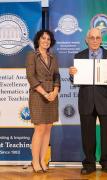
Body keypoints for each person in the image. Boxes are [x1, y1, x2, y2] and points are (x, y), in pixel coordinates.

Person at [69, 28, 107, 175]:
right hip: (86, 101)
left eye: (97, 37)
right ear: (87, 40)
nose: (95, 40)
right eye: (92, 37)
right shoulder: (79, 56)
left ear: (101, 40)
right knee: (87, 135)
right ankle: (89, 164)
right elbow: (76, 80)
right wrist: (72, 75)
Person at [26, 30, 60, 172]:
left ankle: (42, 160)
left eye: (48, 39)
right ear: (38, 40)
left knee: (48, 128)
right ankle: (35, 161)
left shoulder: (53, 57)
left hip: (52, 96)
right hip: (38, 95)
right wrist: (45, 94)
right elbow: (31, 77)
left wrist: (55, 91)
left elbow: (57, 76)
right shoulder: (32, 55)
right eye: (43, 38)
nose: (46, 41)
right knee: (39, 129)